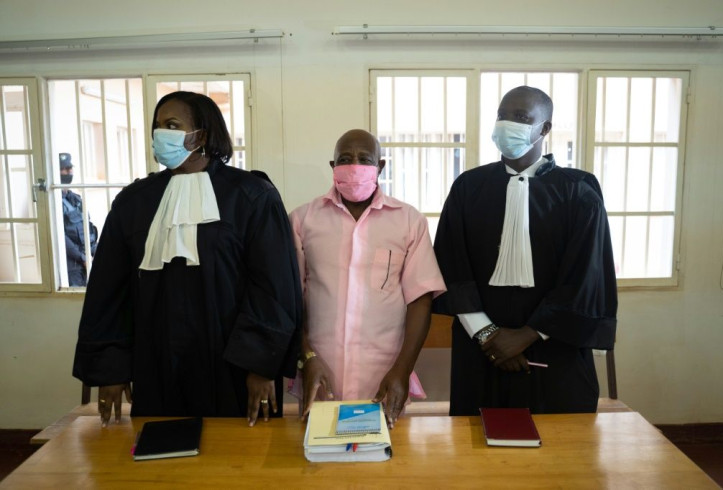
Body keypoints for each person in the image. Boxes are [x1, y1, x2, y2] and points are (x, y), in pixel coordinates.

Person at [72, 91, 302, 427]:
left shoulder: (251, 196)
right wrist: (112, 369)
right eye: (157, 126)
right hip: (156, 362)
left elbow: (273, 287)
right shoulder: (134, 202)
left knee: (237, 465)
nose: (160, 133)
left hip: (232, 367)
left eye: (172, 125)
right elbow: (109, 290)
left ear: (202, 135)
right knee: (160, 462)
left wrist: (261, 365)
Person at [433, 86, 617, 415]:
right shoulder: (468, 187)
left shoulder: (578, 191)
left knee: (561, 454)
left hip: (555, 347)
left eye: (520, 117)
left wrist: (528, 334)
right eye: (502, 116)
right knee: (476, 454)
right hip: (480, 350)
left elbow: (586, 274)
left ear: (545, 128)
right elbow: (452, 267)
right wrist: (489, 335)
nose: (507, 124)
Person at [289, 129, 446, 428]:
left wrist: (402, 370)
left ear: (380, 166)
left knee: (386, 465)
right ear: (333, 166)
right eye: (345, 159)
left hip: (385, 379)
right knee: (317, 463)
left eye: (364, 159)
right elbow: (289, 298)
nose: (354, 165)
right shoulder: (302, 219)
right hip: (320, 375)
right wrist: (306, 356)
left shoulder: (408, 220)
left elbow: (420, 299)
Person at [59, 153, 98, 287]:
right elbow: (61, 236)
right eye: (64, 168)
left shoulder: (74, 198)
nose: (69, 171)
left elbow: (88, 228)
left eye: (70, 167)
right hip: (73, 264)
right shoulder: (54, 202)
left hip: (88, 257)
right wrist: (83, 258)